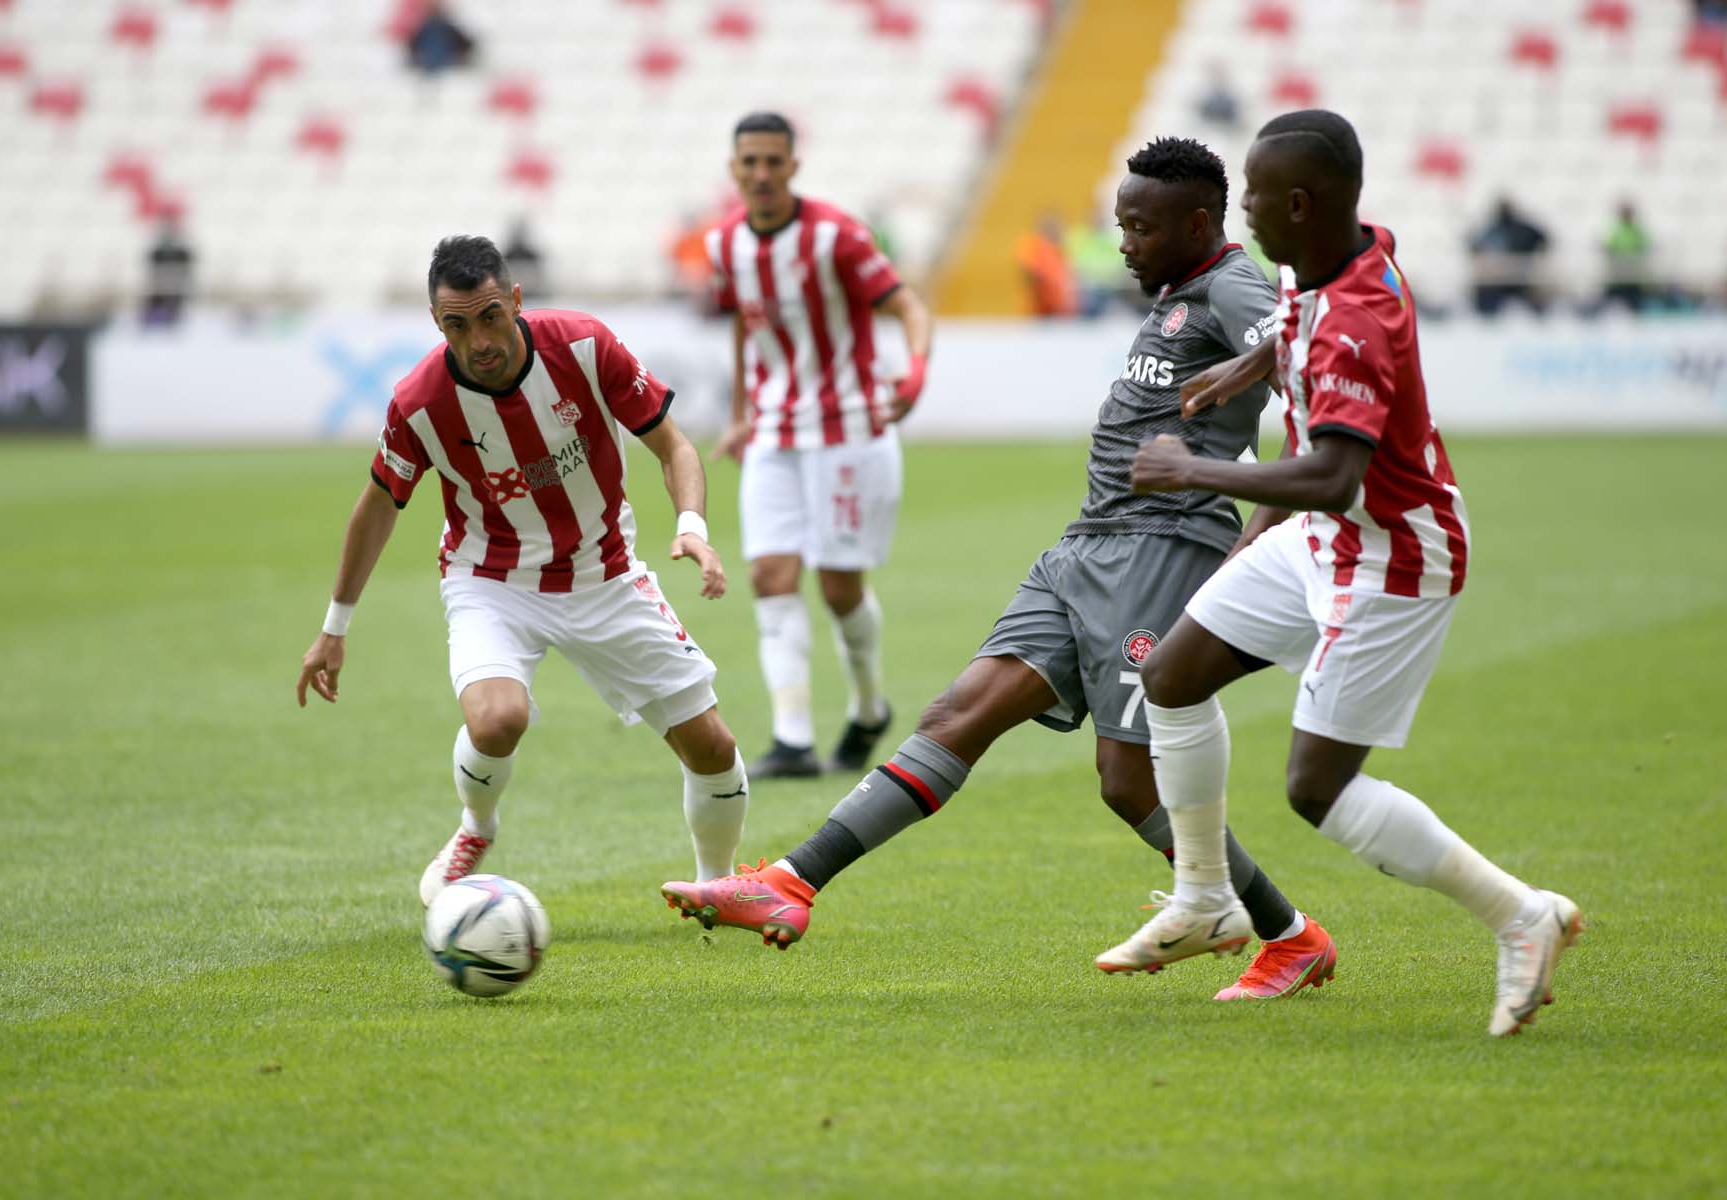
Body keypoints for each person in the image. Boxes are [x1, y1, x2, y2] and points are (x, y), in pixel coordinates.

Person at [662, 137, 1340, 1005]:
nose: (1123, 243)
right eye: (1122, 223)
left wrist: (1263, 518)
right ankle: (789, 882)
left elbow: (1313, 362)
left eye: (1140, 227)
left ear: (1198, 224)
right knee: (959, 712)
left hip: (1163, 550)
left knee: (1126, 780)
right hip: (1087, 545)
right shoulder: (1178, 292)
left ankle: (1288, 935)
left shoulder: (1234, 285)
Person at [1100, 110, 1583, 1036]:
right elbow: (1294, 327)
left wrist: (1191, 467)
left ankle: (1522, 916)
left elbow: (1332, 476)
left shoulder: (1357, 321)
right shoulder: (1332, 256)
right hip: (1327, 540)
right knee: (1172, 674)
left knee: (1318, 789)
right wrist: (1244, 369)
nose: (1241, 215)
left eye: (1251, 200)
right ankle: (1205, 898)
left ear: (1297, 203)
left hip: (1394, 553)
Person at [295, 235, 750, 905]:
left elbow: (673, 446)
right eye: (456, 324)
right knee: (497, 719)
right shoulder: (419, 404)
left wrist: (692, 529)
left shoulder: (585, 347)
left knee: (712, 747)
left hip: (605, 574)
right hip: (492, 580)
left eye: (488, 317)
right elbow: (377, 509)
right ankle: (476, 828)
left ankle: (718, 884)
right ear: (436, 323)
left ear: (515, 300)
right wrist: (335, 627)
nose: (476, 339)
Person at [705, 112, 934, 780]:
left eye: (775, 161)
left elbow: (908, 308)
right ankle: (793, 739)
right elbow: (750, 328)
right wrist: (741, 412)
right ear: (735, 169)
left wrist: (915, 372)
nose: (763, 174)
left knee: (838, 589)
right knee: (770, 577)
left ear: (794, 167)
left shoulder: (835, 235)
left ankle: (868, 708)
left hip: (849, 428)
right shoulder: (725, 244)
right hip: (775, 431)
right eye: (750, 162)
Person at [1468, 198, 1549, 316]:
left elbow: (1543, 239)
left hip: (1522, 279)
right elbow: (1474, 246)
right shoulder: (1490, 230)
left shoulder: (1523, 229)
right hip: (1496, 282)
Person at [1600, 201, 1651, 314]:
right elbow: (1609, 247)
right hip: (1618, 275)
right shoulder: (1617, 231)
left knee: (1636, 307)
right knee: (1608, 303)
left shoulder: (1637, 231)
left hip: (1634, 276)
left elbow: (1644, 248)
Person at [141, 217, 194, 327]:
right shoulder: (157, 252)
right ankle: (155, 319)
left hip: (176, 287)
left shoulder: (182, 252)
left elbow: (186, 269)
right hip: (160, 286)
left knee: (175, 301)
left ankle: (170, 319)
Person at [406, 1, 474, 75]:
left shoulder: (424, 27)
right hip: (442, 65)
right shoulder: (444, 27)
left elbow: (412, 45)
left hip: (435, 65)